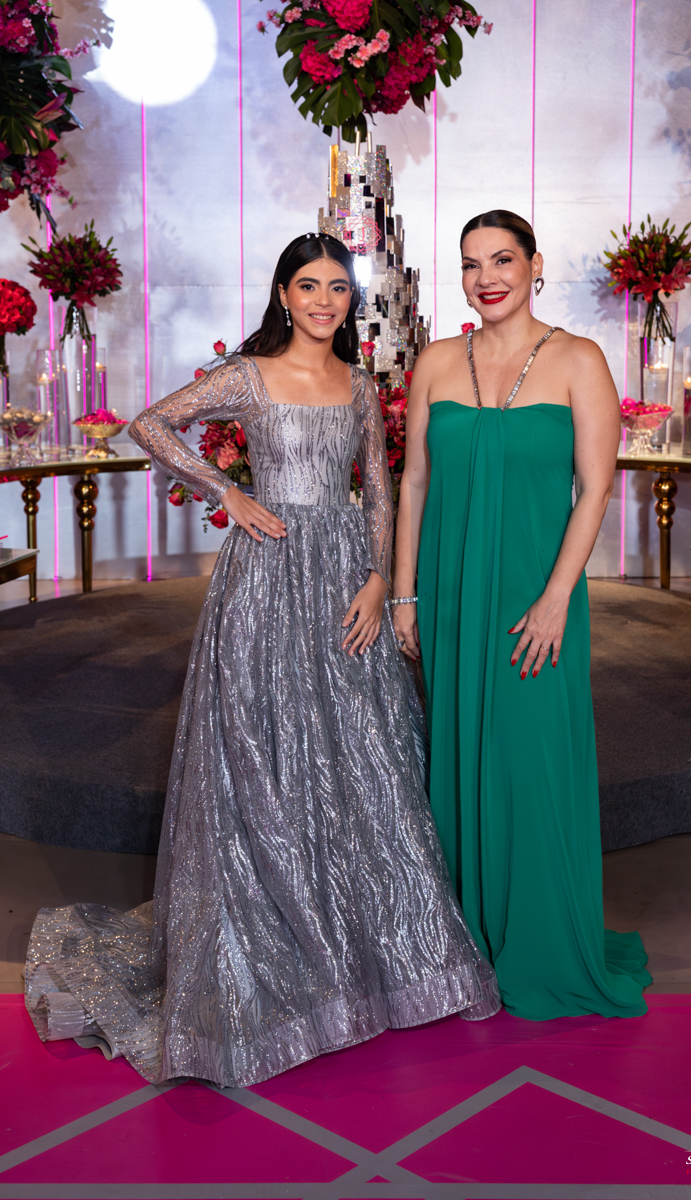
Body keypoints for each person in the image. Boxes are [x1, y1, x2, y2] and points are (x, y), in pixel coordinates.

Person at [24, 232, 499, 1089]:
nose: (323, 301)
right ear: (284, 294)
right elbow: (149, 424)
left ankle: (374, 954)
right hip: (264, 576)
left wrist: (380, 578)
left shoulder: (359, 384)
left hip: (344, 582)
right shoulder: (247, 376)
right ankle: (269, 946)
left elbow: (380, 488)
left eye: (337, 289)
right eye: (308, 286)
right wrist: (227, 491)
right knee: (259, 748)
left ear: (351, 301)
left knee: (364, 757)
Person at [392, 210, 651, 1021]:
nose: (487, 278)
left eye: (502, 260)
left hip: (538, 595)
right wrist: (405, 593)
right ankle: (466, 942)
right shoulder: (437, 361)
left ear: (536, 266)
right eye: (471, 265)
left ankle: (542, 943)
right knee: (460, 756)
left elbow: (596, 489)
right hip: (451, 592)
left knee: (531, 762)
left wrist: (556, 598)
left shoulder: (579, 359)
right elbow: (414, 485)